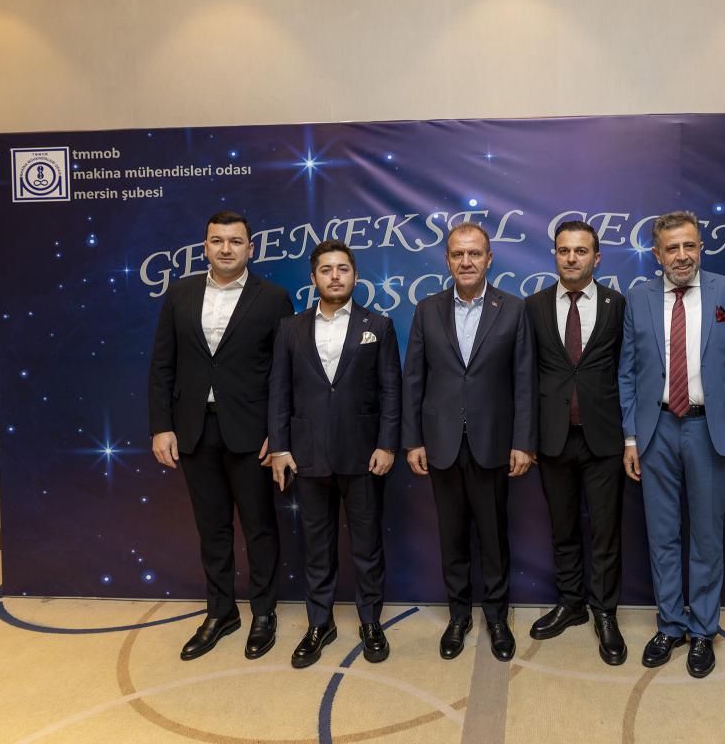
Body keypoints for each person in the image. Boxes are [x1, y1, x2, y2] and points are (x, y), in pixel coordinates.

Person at [148, 210, 293, 661]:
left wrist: (278, 432)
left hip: (252, 433)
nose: (226, 249)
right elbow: (162, 365)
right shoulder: (179, 294)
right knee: (211, 527)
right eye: (217, 241)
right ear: (205, 247)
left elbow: (283, 374)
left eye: (235, 241)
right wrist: (162, 426)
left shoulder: (274, 298)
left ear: (251, 248)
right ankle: (221, 611)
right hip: (194, 429)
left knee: (259, 527)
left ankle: (263, 613)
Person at [618, 210, 725, 678]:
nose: (682, 255)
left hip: (708, 431)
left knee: (706, 537)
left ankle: (702, 630)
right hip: (655, 429)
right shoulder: (638, 297)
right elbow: (627, 372)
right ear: (657, 254)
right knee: (662, 536)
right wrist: (631, 437)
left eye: (689, 245)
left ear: (700, 247)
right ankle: (670, 625)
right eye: (672, 248)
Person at [402, 222, 537, 662]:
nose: (466, 261)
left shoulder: (513, 309)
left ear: (489, 259)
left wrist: (523, 442)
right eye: (458, 254)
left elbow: (524, 380)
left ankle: (496, 618)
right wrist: (412, 440)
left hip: (493, 442)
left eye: (474, 253)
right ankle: (458, 617)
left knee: (494, 537)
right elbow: (414, 379)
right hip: (441, 443)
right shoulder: (427, 309)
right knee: (452, 537)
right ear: (447, 260)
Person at [266, 240, 401, 668]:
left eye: (343, 268)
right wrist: (280, 447)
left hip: (364, 456)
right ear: (313, 278)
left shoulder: (378, 326)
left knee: (367, 546)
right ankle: (319, 624)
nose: (335, 276)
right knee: (317, 546)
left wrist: (387, 443)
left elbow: (391, 391)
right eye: (326, 270)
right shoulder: (289, 328)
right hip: (307, 457)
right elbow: (279, 392)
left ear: (355, 276)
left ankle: (370, 622)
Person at [524, 221, 628, 665]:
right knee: (562, 527)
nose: (572, 258)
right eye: (564, 250)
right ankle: (570, 603)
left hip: (604, 437)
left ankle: (604, 611)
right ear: (554, 255)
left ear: (596, 258)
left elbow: (628, 369)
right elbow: (525, 376)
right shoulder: (533, 306)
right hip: (552, 438)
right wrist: (526, 438)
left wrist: (630, 436)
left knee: (605, 531)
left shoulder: (617, 304)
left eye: (581, 251)